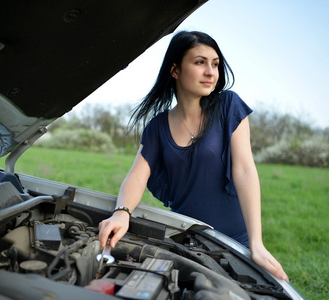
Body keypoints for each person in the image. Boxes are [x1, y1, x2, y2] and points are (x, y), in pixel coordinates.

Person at [98, 30, 289, 282]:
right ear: (175, 70)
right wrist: (121, 212)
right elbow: (136, 177)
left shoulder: (228, 106)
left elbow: (244, 170)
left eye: (215, 64)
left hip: (238, 241)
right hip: (189, 242)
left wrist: (257, 244)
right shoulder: (157, 127)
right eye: (200, 62)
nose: (211, 72)